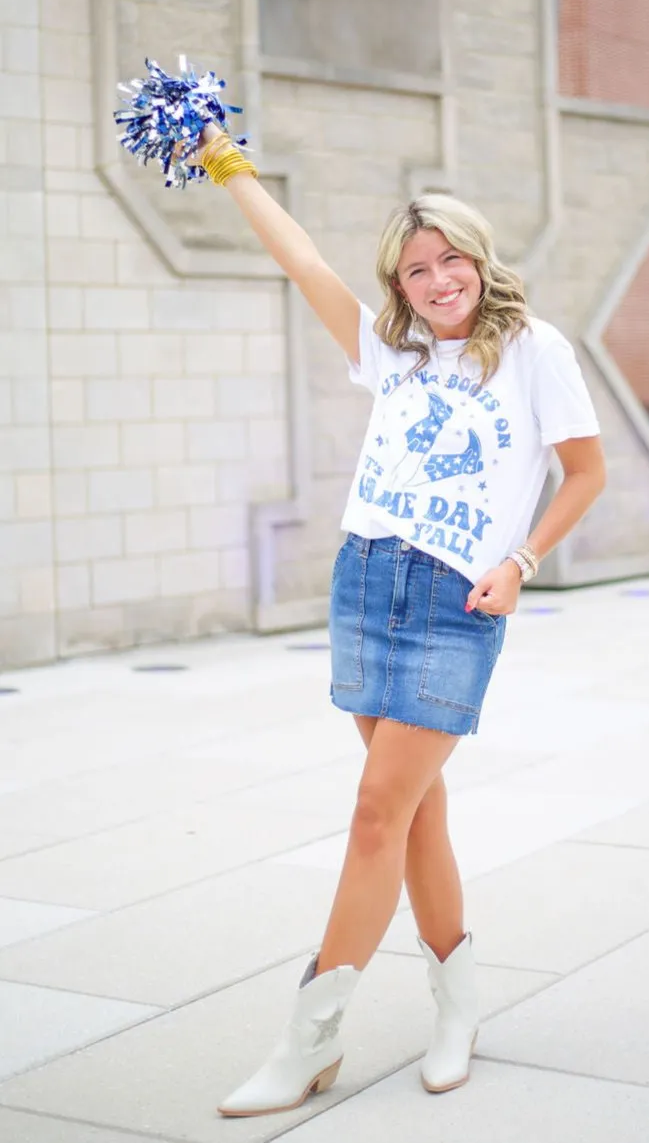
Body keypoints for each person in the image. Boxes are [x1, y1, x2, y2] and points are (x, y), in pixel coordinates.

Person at [193, 124, 606, 1117]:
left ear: (477, 257)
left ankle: (309, 1038)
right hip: (363, 579)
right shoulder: (392, 350)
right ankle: (456, 1003)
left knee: (377, 811)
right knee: (413, 807)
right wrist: (226, 162)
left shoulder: (533, 349)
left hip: (452, 597)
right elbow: (299, 259)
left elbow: (585, 470)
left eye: (448, 257)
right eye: (415, 268)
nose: (435, 278)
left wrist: (520, 560)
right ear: (402, 283)